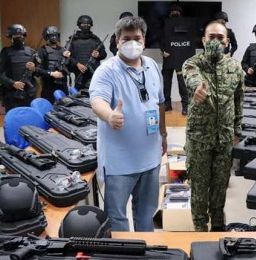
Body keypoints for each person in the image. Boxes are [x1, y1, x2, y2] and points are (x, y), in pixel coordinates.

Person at [89, 16, 167, 232]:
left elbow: (160, 102)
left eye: (137, 38)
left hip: (150, 158)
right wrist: (109, 116)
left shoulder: (152, 66)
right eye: (126, 38)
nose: (132, 43)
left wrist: (164, 134)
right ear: (117, 41)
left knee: (146, 213)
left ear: (144, 40)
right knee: (117, 218)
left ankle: (147, 250)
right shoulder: (106, 71)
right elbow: (97, 101)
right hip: (119, 162)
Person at [182, 21, 245, 232]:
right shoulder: (192, 63)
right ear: (203, 40)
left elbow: (239, 101)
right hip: (199, 139)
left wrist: (237, 130)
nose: (215, 41)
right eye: (211, 37)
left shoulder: (235, 68)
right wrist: (198, 89)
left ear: (227, 42)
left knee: (220, 190)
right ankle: (200, 232)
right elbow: (193, 78)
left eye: (220, 37)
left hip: (224, 140)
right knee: (199, 192)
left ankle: (218, 229)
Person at [0, 24, 39, 112]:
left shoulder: (31, 52)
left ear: (24, 36)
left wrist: (34, 68)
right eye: (15, 36)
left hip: (29, 94)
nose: (18, 37)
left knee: (29, 120)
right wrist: (12, 83)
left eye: (20, 35)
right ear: (10, 37)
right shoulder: (5, 52)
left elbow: (39, 72)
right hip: (12, 95)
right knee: (13, 121)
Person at [161, 3, 194, 114]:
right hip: (168, 57)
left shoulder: (187, 25)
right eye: (173, 12)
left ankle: (185, 106)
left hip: (181, 57)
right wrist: (162, 50)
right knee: (166, 82)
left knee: (182, 83)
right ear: (170, 13)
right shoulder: (165, 24)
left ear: (180, 13)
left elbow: (191, 40)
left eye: (177, 12)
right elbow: (160, 39)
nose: (175, 13)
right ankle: (167, 104)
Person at [69, 15, 107, 90]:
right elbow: (68, 56)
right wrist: (77, 64)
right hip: (79, 74)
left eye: (88, 24)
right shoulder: (73, 40)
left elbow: (104, 55)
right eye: (83, 24)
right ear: (79, 25)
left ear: (91, 25)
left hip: (93, 74)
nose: (86, 25)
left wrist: (98, 55)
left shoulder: (95, 39)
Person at [35, 26, 69, 104]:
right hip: (48, 87)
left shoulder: (63, 50)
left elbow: (69, 68)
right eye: (51, 35)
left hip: (62, 86)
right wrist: (52, 73)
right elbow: (37, 70)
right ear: (47, 37)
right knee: (48, 111)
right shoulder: (42, 51)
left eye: (56, 35)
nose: (54, 37)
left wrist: (68, 58)